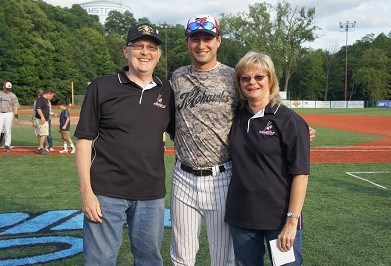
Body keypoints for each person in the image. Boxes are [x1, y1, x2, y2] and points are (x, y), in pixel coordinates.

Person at [170, 14, 316, 266]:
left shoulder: (231, 76)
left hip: (224, 178)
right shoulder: (177, 77)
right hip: (189, 179)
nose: (201, 45)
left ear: (218, 41)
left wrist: (298, 128)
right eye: (196, 39)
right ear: (187, 42)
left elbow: (265, 108)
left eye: (208, 38)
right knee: (183, 255)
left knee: (224, 257)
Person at [74, 23, 175, 265]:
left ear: (159, 55)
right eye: (138, 46)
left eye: (151, 47)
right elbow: (84, 142)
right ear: (125, 51)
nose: (145, 52)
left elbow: (183, 133)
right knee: (100, 260)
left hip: (151, 194)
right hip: (106, 192)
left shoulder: (168, 91)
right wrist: (86, 192)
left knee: (149, 259)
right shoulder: (102, 87)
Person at [225, 51, 310, 265]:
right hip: (242, 217)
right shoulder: (235, 116)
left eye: (259, 77)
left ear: (270, 80)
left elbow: (301, 174)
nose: (252, 82)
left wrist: (292, 221)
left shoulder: (289, 120)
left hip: (279, 220)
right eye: (245, 78)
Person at [0, 81, 20, 152]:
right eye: (6, 89)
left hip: (9, 114)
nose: (8, 90)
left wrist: (16, 117)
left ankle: (7, 145)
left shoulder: (13, 96)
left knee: (7, 130)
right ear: (3, 87)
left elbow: (15, 107)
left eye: (9, 89)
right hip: (0, 113)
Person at [34, 89, 55, 155]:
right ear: (48, 94)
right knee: (43, 134)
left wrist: (53, 114)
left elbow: (46, 110)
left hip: (45, 120)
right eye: (52, 95)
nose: (52, 97)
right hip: (41, 120)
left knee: (44, 134)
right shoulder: (40, 99)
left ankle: (41, 148)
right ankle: (41, 148)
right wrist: (42, 117)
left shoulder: (46, 101)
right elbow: (38, 109)